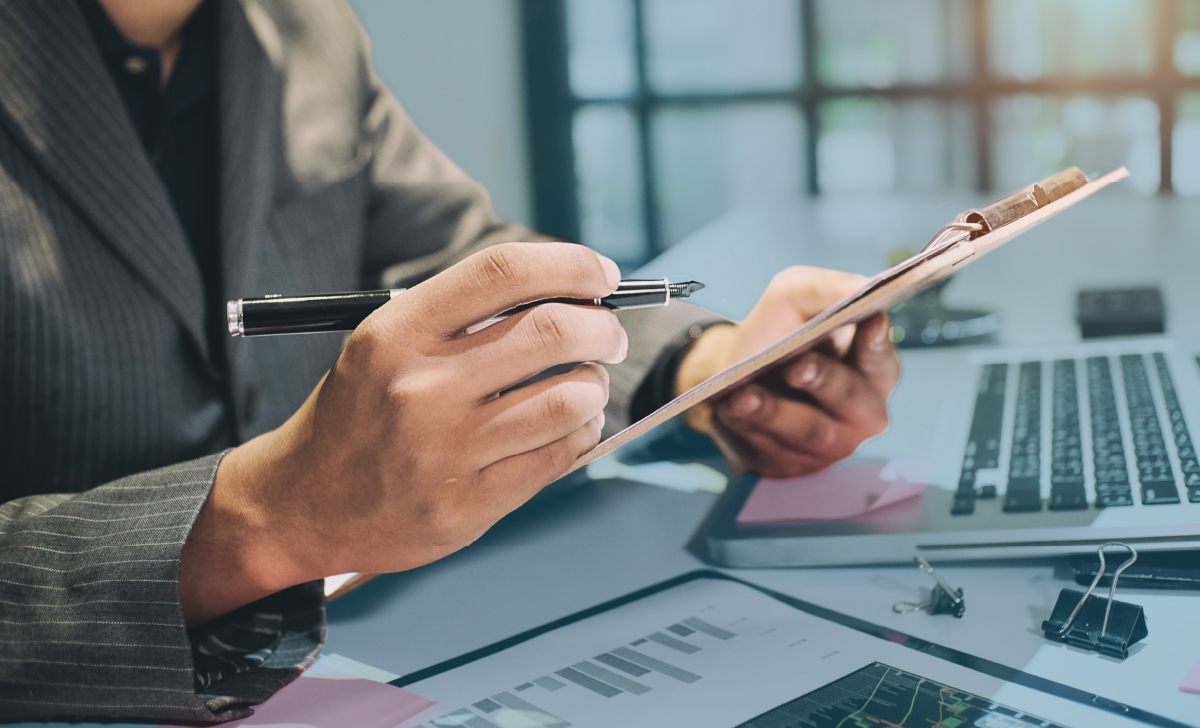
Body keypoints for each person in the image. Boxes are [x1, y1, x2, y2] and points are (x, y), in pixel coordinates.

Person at [0, 0, 900, 722]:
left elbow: (452, 258)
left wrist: (709, 366)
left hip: (371, 655)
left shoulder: (305, 27)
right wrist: (263, 517)